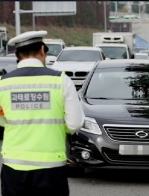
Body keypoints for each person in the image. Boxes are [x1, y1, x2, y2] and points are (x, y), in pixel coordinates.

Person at [0, 30, 85, 196]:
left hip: (14, 168)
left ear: (17, 55)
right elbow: (74, 124)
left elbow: (2, 121)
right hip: (51, 169)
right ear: (42, 51)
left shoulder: (3, 84)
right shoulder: (61, 81)